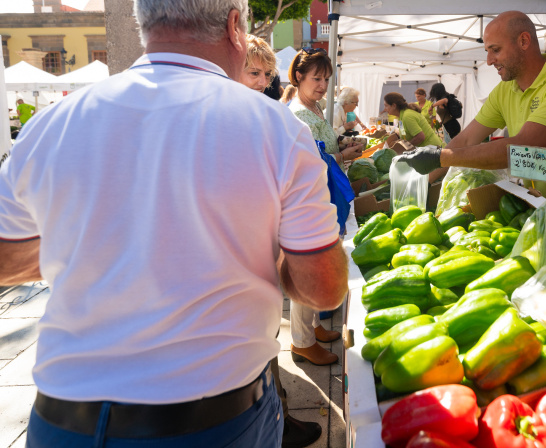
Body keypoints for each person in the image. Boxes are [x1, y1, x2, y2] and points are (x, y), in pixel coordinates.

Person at [0, 1, 349, 447]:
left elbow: (6, 256)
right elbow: (323, 288)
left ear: (144, 24)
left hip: (61, 420)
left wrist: (89, 245)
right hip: (211, 421)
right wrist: (269, 255)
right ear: (234, 25)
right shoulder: (277, 129)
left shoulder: (52, 122)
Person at [399, 11, 546, 199]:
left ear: (524, 41)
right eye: (487, 51)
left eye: (495, 50)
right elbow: (467, 139)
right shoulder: (506, 90)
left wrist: (440, 157)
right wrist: (421, 180)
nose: (488, 61)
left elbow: (522, 148)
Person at [239, 33, 324, 448]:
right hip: (243, 254)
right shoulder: (243, 117)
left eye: (265, 74)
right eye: (252, 72)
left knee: (267, 334)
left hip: (263, 246)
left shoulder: (269, 116)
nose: (259, 81)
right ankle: (279, 420)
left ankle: (279, 413)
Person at [287, 47, 362, 366]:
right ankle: (301, 341)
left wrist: (342, 145)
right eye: (316, 78)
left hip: (323, 193)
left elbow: (325, 147)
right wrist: (345, 155)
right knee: (309, 268)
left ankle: (313, 327)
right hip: (309, 197)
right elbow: (310, 161)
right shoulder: (299, 113)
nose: (322, 85)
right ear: (299, 76)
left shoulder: (314, 107)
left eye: (326, 79)